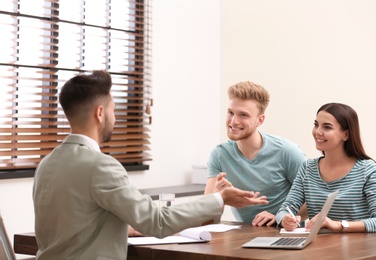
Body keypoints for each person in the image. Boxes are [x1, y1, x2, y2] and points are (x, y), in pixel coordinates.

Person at [32, 70, 269, 259]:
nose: (115, 118)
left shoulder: (47, 164)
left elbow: (73, 225)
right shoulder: (100, 166)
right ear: (100, 113)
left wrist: (121, 227)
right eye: (114, 110)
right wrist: (220, 199)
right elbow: (157, 221)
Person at [204, 81, 307, 226]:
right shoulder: (220, 154)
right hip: (244, 237)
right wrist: (218, 197)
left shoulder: (288, 152)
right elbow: (206, 217)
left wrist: (280, 217)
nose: (233, 121)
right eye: (230, 112)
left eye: (243, 115)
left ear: (260, 120)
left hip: (285, 236)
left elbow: (313, 198)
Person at [276, 102, 376, 233]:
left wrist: (340, 225)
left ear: (346, 134)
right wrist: (285, 219)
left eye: (327, 127)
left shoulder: (366, 169)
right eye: (316, 125)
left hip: (356, 250)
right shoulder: (308, 168)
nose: (318, 132)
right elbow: (284, 210)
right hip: (318, 249)